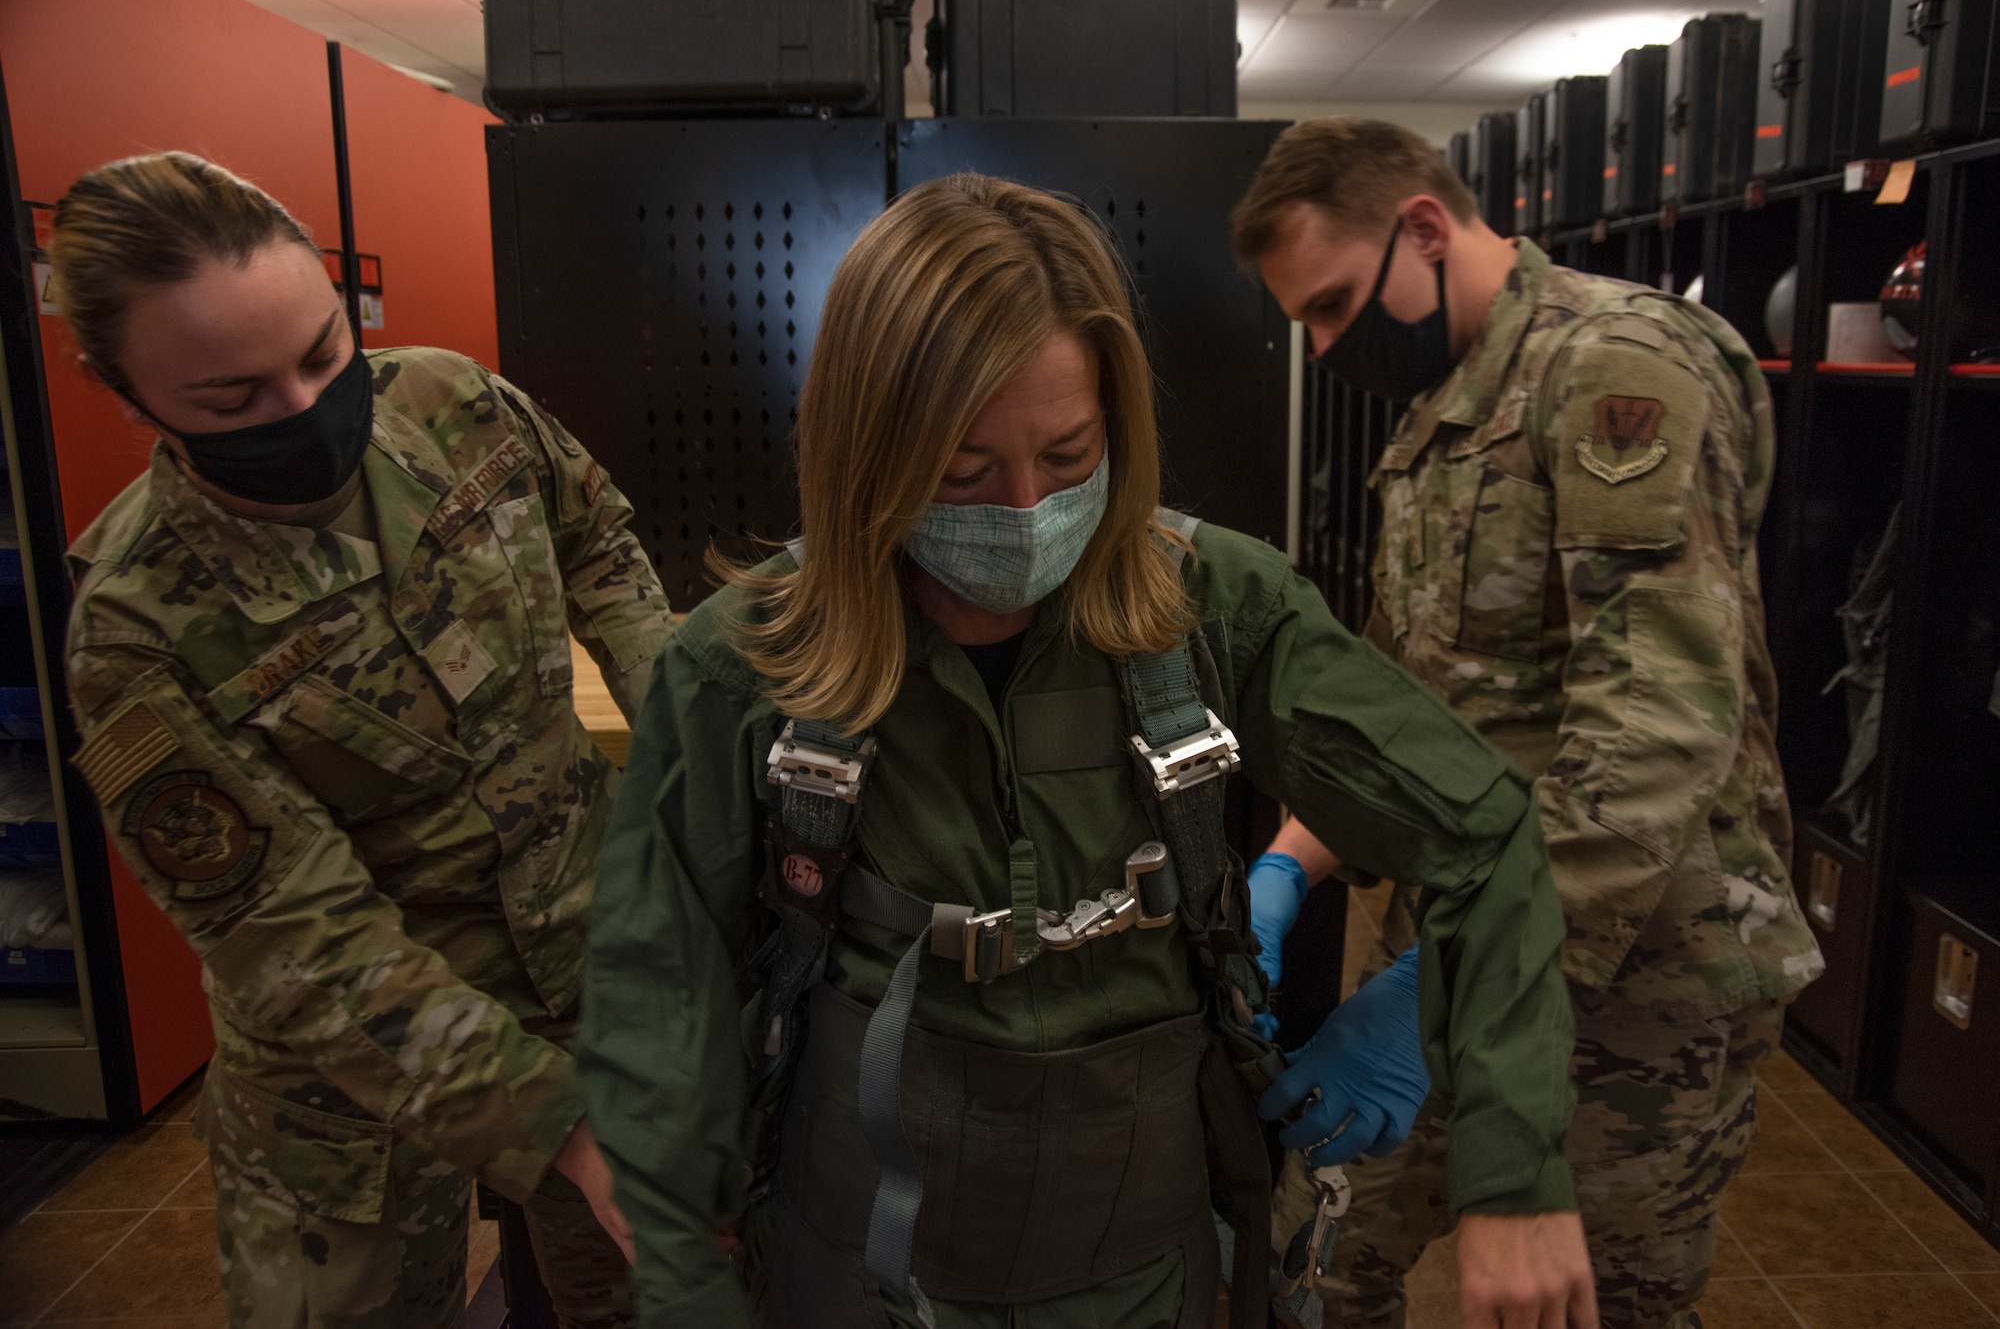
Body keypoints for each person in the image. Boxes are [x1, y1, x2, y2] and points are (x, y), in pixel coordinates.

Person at [578, 171, 1599, 1329]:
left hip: (1140, 1266)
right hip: (848, 1262)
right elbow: (656, 965)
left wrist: (1511, 1163)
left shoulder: (1221, 610)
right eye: (961, 472)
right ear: (867, 448)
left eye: (1066, 456)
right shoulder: (744, 661)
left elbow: (1485, 832)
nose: (1020, 508)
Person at [55, 152, 669, 1328]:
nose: (302, 410)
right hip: (357, 1086)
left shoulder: (452, 401)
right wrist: (561, 1127)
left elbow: (594, 534)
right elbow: (306, 950)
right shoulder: (139, 630)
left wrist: (675, 721)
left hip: (589, 975)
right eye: (231, 399)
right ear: (123, 392)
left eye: (324, 354)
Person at [1232, 118, 1827, 1328]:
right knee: (1307, 1256)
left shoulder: (1616, 368)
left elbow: (1656, 729)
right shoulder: (1450, 401)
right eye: (1306, 322)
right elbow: (1414, 709)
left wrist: (1438, 986)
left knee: (1587, 1302)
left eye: (1337, 305)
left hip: (1628, 984)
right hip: (1455, 947)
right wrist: (1295, 856)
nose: (1329, 345)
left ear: (1422, 227)